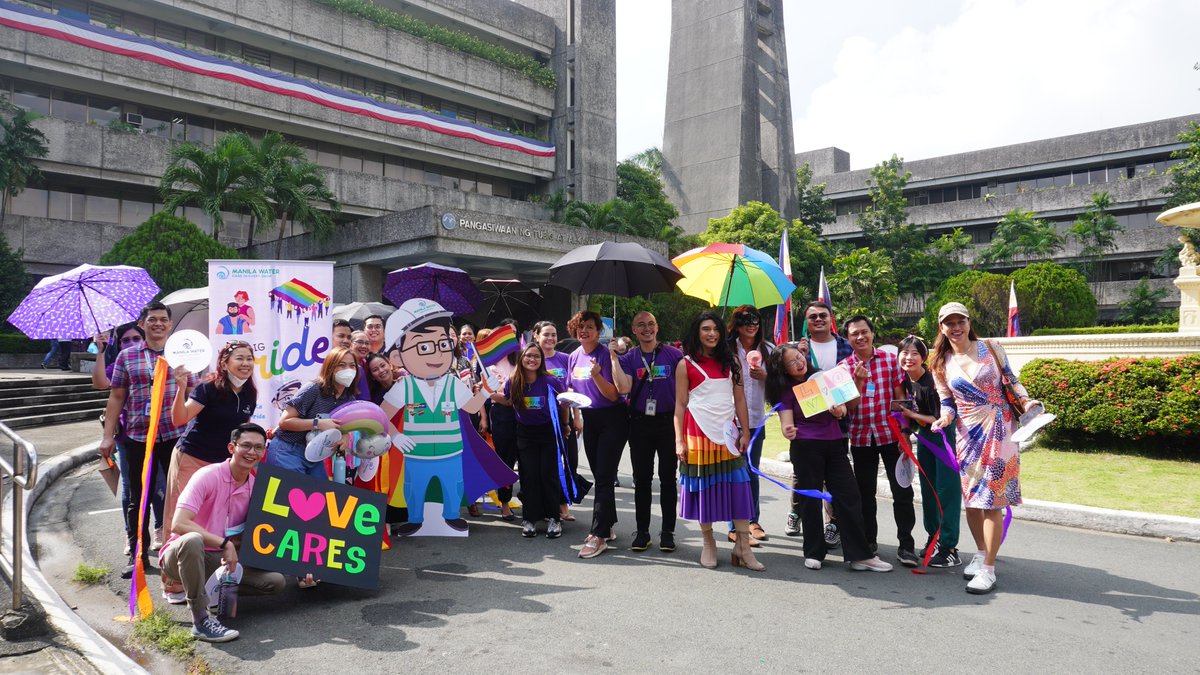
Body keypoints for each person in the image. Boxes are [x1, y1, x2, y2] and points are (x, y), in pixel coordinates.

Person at [931, 302, 1039, 594]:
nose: (956, 328)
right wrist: (944, 418)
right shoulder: (940, 363)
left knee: (993, 498)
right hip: (967, 434)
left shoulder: (991, 347)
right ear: (941, 327)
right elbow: (946, 401)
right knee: (972, 500)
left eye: (960, 321)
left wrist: (1027, 402)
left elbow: (1012, 380)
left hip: (1001, 429)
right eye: (949, 323)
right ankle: (980, 552)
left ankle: (989, 569)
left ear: (968, 322)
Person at [765, 344, 892, 572]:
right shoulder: (785, 389)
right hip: (805, 447)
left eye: (799, 356)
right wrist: (788, 431)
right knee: (810, 499)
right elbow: (786, 423)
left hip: (834, 444)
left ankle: (860, 555)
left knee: (849, 496)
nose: (799, 362)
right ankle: (814, 552)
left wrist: (838, 411)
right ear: (783, 370)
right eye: (791, 362)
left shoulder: (822, 378)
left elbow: (844, 408)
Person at [159, 423, 285, 642]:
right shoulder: (207, 475)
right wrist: (224, 543)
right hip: (182, 557)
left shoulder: (258, 486)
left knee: (276, 581)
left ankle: (215, 595)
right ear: (231, 447)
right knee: (192, 540)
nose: (252, 452)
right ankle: (200, 621)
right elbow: (179, 523)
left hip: (220, 562)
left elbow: (267, 537)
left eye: (258, 448)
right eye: (246, 445)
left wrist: (305, 565)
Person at [100, 302, 199, 578]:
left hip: (175, 435)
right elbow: (117, 396)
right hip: (137, 436)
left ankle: (175, 553)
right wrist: (108, 436)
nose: (158, 324)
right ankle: (138, 555)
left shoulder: (184, 353)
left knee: (178, 496)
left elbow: (196, 393)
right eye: (152, 319)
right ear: (142, 324)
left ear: (170, 324)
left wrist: (186, 382)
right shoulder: (127, 357)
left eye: (163, 320)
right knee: (137, 498)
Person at [382, 299, 490, 535]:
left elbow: (471, 408)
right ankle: (415, 518)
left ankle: (452, 516)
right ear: (398, 357)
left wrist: (486, 391)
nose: (438, 353)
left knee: (452, 487)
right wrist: (395, 435)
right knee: (415, 489)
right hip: (415, 454)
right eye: (423, 347)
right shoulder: (404, 386)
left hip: (451, 452)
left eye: (443, 344)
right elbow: (382, 415)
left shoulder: (453, 382)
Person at [161, 340, 257, 602]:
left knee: (211, 518)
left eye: (249, 358)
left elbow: (243, 429)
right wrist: (181, 388)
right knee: (179, 517)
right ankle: (173, 584)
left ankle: (205, 574)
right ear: (224, 363)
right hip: (192, 457)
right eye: (239, 358)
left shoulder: (250, 393)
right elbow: (180, 419)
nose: (246, 363)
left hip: (220, 464)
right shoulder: (209, 388)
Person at [674, 311, 762, 571]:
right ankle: (708, 542)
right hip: (697, 434)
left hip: (728, 435)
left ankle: (742, 547)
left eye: (715, 329)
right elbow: (680, 405)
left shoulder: (733, 361)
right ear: (697, 333)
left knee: (740, 488)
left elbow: (740, 400)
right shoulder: (685, 364)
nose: (711, 333)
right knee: (704, 490)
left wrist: (745, 432)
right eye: (705, 329)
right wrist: (679, 441)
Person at [842, 314, 917, 567]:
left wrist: (905, 432)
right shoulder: (844, 368)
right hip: (862, 439)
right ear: (848, 338)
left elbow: (900, 398)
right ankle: (869, 543)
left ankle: (906, 545)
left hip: (891, 436)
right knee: (865, 494)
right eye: (854, 334)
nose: (860, 337)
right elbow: (849, 408)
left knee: (902, 492)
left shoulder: (889, 360)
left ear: (872, 333)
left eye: (864, 331)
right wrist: (858, 382)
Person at [612, 311, 683, 553]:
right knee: (641, 480)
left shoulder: (674, 355)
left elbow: (686, 391)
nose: (646, 329)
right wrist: (613, 358)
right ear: (633, 330)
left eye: (651, 324)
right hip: (640, 424)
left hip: (668, 423)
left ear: (657, 327)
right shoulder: (630, 357)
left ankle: (668, 532)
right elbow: (624, 387)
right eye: (641, 325)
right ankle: (642, 531)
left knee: (667, 479)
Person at [92, 323, 164, 556]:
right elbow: (102, 384)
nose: (131, 342)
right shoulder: (121, 362)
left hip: (161, 433)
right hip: (129, 434)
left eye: (135, 337)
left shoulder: (159, 358)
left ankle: (159, 528)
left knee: (160, 486)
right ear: (119, 344)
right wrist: (101, 351)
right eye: (125, 339)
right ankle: (130, 532)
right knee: (130, 490)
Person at [897, 335, 962, 568]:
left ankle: (950, 546)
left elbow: (936, 417)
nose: (909, 357)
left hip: (944, 437)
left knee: (947, 490)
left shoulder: (932, 381)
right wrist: (906, 430)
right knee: (929, 490)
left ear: (924, 357)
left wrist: (911, 416)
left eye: (915, 353)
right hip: (925, 438)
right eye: (904, 353)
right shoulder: (906, 381)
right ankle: (934, 537)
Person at [568, 310, 627, 559]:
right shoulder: (573, 355)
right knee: (599, 473)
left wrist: (597, 376)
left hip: (613, 419)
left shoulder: (607, 354)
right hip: (589, 418)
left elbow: (614, 394)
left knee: (603, 477)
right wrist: (573, 406)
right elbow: (572, 386)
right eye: (580, 327)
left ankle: (599, 534)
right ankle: (609, 523)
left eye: (590, 327)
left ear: (599, 330)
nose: (584, 331)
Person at [494, 343, 568, 538]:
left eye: (536, 356)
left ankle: (554, 518)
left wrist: (567, 424)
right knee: (529, 475)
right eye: (528, 356)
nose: (532, 359)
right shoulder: (513, 380)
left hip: (548, 432)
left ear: (541, 360)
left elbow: (563, 404)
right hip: (525, 433)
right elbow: (508, 400)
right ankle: (530, 519)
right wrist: (487, 393)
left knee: (548, 474)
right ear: (522, 358)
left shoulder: (550, 380)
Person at [798, 301, 852, 547]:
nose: (818, 320)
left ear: (831, 318)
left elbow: (849, 382)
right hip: (808, 426)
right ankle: (799, 517)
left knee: (835, 479)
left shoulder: (846, 347)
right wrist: (799, 355)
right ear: (806, 322)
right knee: (807, 478)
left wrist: (840, 406)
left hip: (840, 423)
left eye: (823, 315)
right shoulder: (798, 350)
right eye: (812, 317)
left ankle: (834, 525)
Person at [269, 346, 360, 480]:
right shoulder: (313, 389)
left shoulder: (348, 398)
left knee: (321, 496)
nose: (348, 370)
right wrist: (317, 423)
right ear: (330, 368)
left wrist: (346, 436)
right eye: (342, 365)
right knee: (292, 498)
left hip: (314, 455)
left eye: (352, 366)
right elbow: (284, 422)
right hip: (288, 450)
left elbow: (343, 425)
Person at [726, 305, 774, 545]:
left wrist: (767, 376)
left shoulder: (769, 351)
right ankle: (734, 525)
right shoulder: (725, 350)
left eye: (755, 320)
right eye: (745, 320)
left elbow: (784, 383)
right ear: (736, 324)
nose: (751, 324)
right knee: (734, 472)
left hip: (756, 420)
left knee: (752, 472)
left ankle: (753, 520)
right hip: (729, 421)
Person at [532, 320, 579, 522]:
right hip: (539, 423)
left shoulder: (566, 359)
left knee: (569, 462)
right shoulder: (530, 359)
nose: (550, 338)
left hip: (563, 419)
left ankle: (563, 504)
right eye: (546, 334)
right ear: (536, 336)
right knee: (544, 466)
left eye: (553, 334)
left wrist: (577, 418)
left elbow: (573, 390)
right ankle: (545, 506)